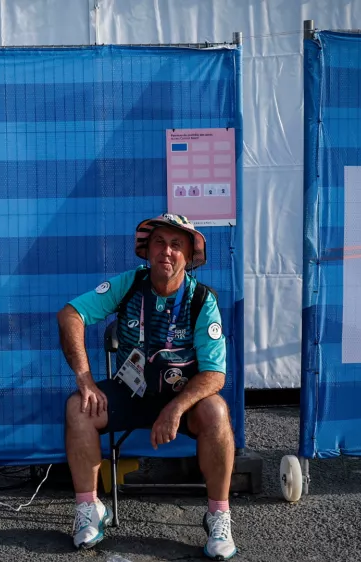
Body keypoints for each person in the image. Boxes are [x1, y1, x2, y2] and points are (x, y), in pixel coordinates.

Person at [57, 213, 237, 560]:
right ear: (147, 249)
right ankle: (89, 510)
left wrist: (175, 408)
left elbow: (215, 375)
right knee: (78, 407)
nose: (166, 251)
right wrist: (85, 379)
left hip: (181, 399)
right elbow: (70, 315)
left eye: (176, 245)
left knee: (216, 409)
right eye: (159, 242)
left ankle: (218, 515)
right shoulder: (129, 284)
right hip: (129, 392)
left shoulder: (202, 301)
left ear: (188, 255)